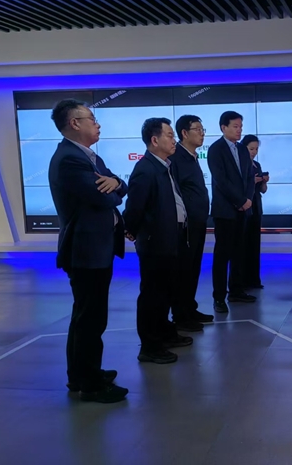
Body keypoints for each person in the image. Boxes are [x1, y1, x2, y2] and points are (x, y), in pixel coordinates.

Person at [48, 99, 128, 403]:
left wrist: (116, 182)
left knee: (87, 316)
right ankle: (90, 384)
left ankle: (81, 374)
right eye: (92, 119)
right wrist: (115, 189)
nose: (98, 124)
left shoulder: (89, 156)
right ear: (74, 123)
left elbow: (119, 185)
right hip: (86, 250)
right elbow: (103, 198)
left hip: (97, 248)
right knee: (90, 319)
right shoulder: (70, 159)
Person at [123, 118, 192, 364]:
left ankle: (164, 334)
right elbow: (135, 207)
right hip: (155, 242)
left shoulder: (164, 166)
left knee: (166, 291)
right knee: (153, 295)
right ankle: (150, 347)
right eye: (170, 136)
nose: (174, 140)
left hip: (171, 238)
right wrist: (131, 230)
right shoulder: (145, 169)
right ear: (154, 140)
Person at [206, 111, 256, 313]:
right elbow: (221, 180)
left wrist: (248, 199)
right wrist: (240, 201)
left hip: (243, 210)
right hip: (225, 210)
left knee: (239, 252)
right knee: (222, 254)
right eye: (235, 126)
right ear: (223, 127)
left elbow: (250, 177)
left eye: (240, 126)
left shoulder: (242, 149)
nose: (239, 130)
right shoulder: (215, 149)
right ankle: (219, 297)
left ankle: (236, 290)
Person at [169, 114, 214, 330]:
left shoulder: (192, 157)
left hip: (198, 222)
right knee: (183, 269)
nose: (202, 133)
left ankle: (190, 307)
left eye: (203, 129)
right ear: (184, 133)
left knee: (194, 267)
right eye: (198, 129)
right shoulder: (176, 157)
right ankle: (181, 315)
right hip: (185, 226)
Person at [241, 134, 268, 289]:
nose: (254, 152)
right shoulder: (240, 164)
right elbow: (239, 185)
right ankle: (242, 280)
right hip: (244, 207)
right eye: (251, 149)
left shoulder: (257, 165)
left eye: (256, 149)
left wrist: (263, 181)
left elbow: (262, 190)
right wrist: (252, 180)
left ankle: (254, 279)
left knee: (254, 244)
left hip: (256, 206)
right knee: (243, 244)